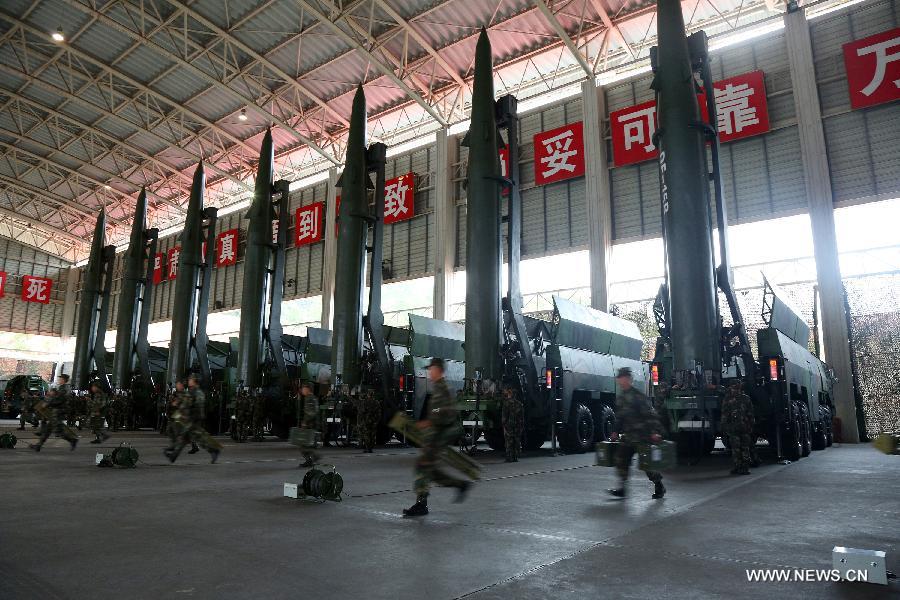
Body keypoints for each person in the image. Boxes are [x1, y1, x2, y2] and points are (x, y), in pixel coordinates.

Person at [403, 358, 471, 517]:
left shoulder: (443, 389)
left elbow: (445, 415)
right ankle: (459, 485)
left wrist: (426, 423)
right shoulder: (439, 388)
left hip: (438, 437)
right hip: (435, 436)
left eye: (431, 369)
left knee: (423, 467)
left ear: (438, 369)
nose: (429, 372)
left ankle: (421, 505)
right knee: (430, 471)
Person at [607, 367, 665, 499]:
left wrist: (654, 432)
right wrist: (615, 431)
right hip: (628, 436)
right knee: (621, 460)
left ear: (628, 379)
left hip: (642, 436)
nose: (619, 381)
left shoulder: (638, 396)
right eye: (619, 378)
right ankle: (622, 488)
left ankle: (659, 486)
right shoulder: (621, 398)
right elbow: (620, 417)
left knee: (647, 465)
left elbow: (650, 416)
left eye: (622, 378)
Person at [164, 375, 220, 464]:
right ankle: (173, 456)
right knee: (185, 438)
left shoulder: (198, 392)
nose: (189, 380)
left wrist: (193, 419)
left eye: (190, 379)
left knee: (196, 438)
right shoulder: (191, 391)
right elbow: (185, 404)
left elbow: (198, 408)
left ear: (195, 381)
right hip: (187, 419)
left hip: (193, 420)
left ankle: (214, 450)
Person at [721, 380, 755, 475]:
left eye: (736, 388)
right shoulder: (728, 399)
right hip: (734, 427)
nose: (735, 390)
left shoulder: (745, 398)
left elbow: (751, 413)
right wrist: (724, 426)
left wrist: (751, 425)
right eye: (733, 388)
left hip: (744, 427)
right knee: (736, 448)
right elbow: (725, 414)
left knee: (744, 448)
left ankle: (745, 467)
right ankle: (738, 466)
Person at [29, 387, 78, 452]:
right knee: (47, 431)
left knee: (58, 431)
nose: (49, 393)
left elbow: (55, 403)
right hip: (54, 418)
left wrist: (47, 404)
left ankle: (72, 440)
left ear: (54, 392)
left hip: (57, 417)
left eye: (51, 391)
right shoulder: (55, 397)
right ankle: (38, 445)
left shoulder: (59, 397)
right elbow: (49, 402)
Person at [298, 381, 321, 468]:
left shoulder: (310, 398)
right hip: (311, 424)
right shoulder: (310, 398)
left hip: (310, 425)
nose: (302, 390)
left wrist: (305, 422)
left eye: (303, 388)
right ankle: (311, 459)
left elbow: (311, 413)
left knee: (303, 444)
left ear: (308, 389)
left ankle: (313, 458)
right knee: (306, 444)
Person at [501, 385, 524, 462]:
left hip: (509, 425)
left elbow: (504, 417)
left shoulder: (506, 404)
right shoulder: (519, 404)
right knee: (516, 441)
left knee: (509, 441)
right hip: (517, 425)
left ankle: (509, 457)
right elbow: (522, 417)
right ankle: (515, 457)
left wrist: (504, 425)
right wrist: (521, 426)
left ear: (510, 394)